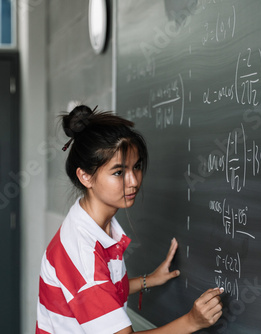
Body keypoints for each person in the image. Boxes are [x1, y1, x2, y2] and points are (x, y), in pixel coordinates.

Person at [36, 105, 223, 334]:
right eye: (118, 172)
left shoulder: (97, 226)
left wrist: (149, 280)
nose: (133, 181)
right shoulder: (82, 254)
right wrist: (192, 321)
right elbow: (93, 283)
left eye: (137, 167)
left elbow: (105, 288)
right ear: (85, 176)